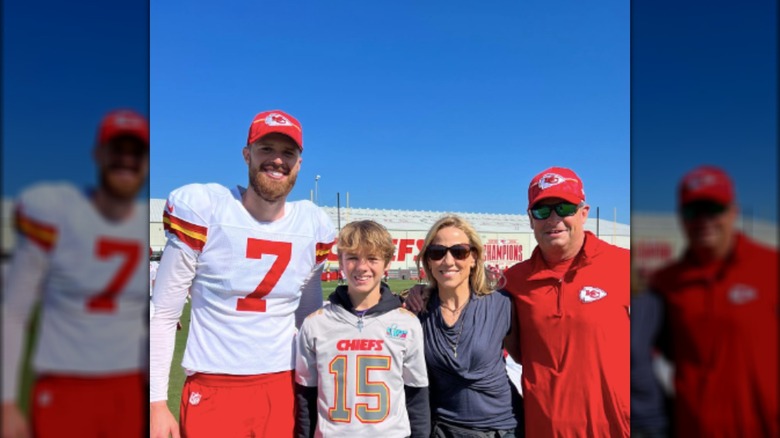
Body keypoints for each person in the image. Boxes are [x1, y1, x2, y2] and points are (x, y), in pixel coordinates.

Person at [149, 110, 337, 438]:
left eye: (287, 153)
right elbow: (163, 314)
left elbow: (308, 319)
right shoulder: (207, 208)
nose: (277, 160)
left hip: (282, 385)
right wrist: (155, 404)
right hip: (214, 384)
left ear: (299, 165)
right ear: (246, 154)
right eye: (266, 149)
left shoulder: (312, 225)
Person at [2, 109, 150, 438]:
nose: (126, 160)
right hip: (65, 386)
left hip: (128, 389)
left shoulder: (144, 223)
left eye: (136, 152)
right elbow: (14, 312)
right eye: (117, 150)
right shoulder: (58, 210)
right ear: (98, 154)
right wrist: (6, 401)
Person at [647, 165, 777, 437]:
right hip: (697, 428)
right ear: (682, 218)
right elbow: (643, 356)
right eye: (693, 212)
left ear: (733, 211)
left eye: (713, 209)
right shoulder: (666, 283)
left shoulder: (771, 267)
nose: (703, 220)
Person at [502, 166, 630, 436]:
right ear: (530, 219)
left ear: (583, 213)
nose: (553, 219)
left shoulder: (625, 266)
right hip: (545, 429)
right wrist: (425, 293)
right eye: (542, 210)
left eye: (564, 208)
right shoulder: (513, 280)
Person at [294, 220, 430, 437]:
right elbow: (306, 397)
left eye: (373, 258)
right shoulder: (316, 324)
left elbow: (416, 395)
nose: (362, 267)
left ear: (387, 264)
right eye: (353, 257)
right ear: (340, 261)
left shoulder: (407, 323)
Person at [415, 215, 524, 437]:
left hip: (500, 428)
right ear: (428, 261)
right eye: (437, 252)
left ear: (474, 257)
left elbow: (523, 358)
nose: (448, 261)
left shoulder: (501, 305)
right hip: (444, 429)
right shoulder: (417, 310)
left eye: (459, 251)